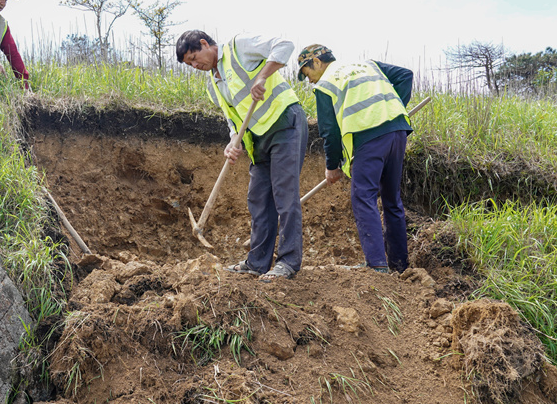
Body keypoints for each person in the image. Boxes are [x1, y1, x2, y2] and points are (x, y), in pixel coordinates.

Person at [177, 30, 307, 282]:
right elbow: (233, 119)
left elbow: (284, 44)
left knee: (284, 194)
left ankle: (288, 262)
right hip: (257, 138)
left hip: (284, 124)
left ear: (205, 44)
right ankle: (257, 263)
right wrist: (232, 140)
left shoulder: (238, 48)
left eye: (195, 57)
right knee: (258, 198)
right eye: (190, 64)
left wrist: (262, 76)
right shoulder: (214, 83)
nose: (195, 65)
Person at [297, 44, 413, 273]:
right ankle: (399, 265)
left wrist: (332, 166)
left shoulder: (326, 85)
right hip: (397, 131)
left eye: (306, 73)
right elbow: (405, 75)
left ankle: (377, 265)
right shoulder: (368, 64)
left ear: (317, 62)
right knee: (392, 200)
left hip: (368, 138)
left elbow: (329, 130)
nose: (309, 80)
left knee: (363, 197)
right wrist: (393, 108)